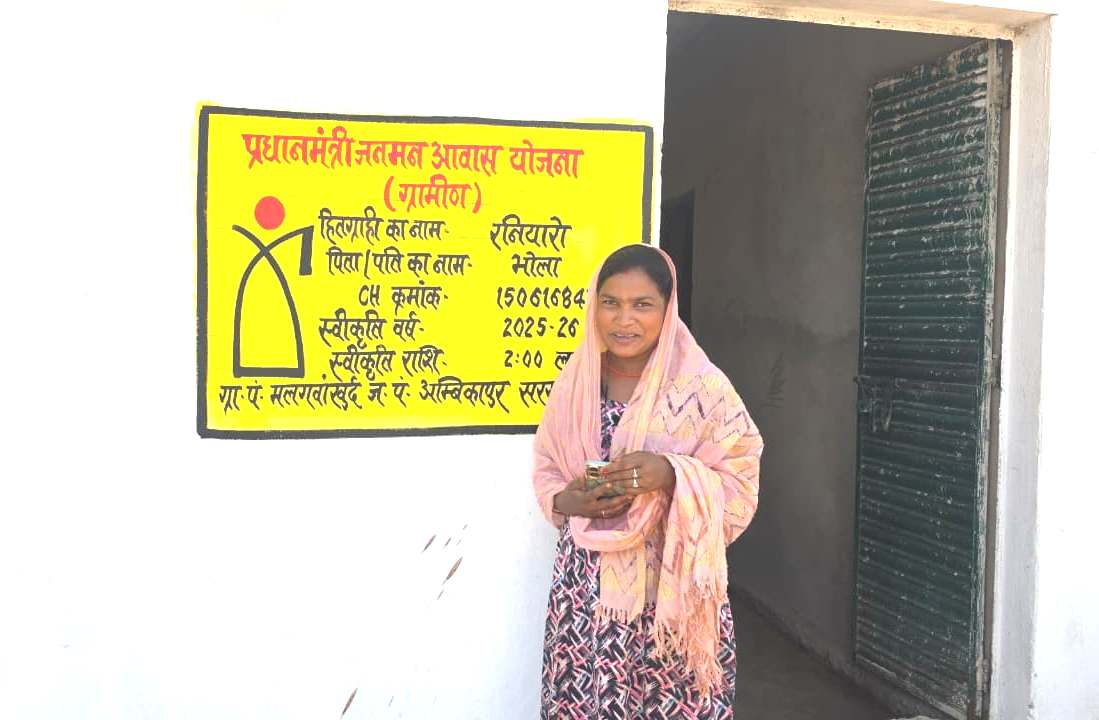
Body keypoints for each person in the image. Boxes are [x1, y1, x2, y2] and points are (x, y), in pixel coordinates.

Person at [533, 244, 763, 720]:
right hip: (586, 589)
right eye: (610, 302)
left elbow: (740, 478)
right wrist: (568, 500)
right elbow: (548, 466)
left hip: (669, 590)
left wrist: (671, 473)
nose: (624, 319)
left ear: (667, 309)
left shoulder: (702, 388)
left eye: (642, 304)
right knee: (587, 700)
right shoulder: (576, 384)